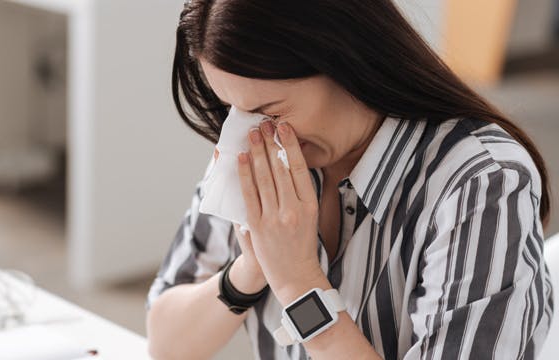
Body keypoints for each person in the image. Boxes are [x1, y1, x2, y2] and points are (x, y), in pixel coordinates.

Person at [145, 1, 554, 359]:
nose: (251, 134)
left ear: (347, 61)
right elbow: (166, 344)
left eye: (271, 111)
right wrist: (252, 267)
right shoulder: (261, 147)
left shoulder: (481, 185)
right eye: (234, 109)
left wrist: (298, 283)